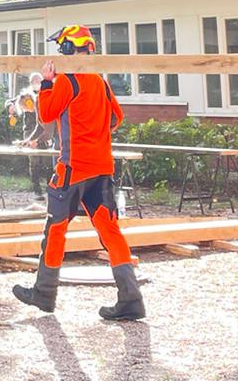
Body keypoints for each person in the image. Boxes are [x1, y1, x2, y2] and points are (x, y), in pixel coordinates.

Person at [12, 26, 143, 321]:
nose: (60, 55)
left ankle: (44, 293)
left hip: (73, 168)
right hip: (102, 168)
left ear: (71, 51)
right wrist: (95, 135)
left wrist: (46, 84)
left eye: (62, 50)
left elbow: (45, 115)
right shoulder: (99, 80)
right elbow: (116, 117)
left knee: (56, 229)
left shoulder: (67, 81)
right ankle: (131, 298)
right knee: (110, 231)